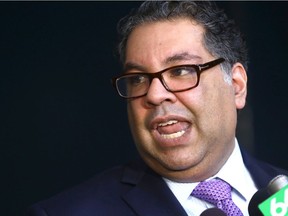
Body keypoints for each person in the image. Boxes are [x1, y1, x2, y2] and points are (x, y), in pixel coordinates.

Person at [25, 1, 288, 216]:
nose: (154, 94)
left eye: (181, 71)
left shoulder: (281, 192)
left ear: (237, 86)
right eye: (138, 78)